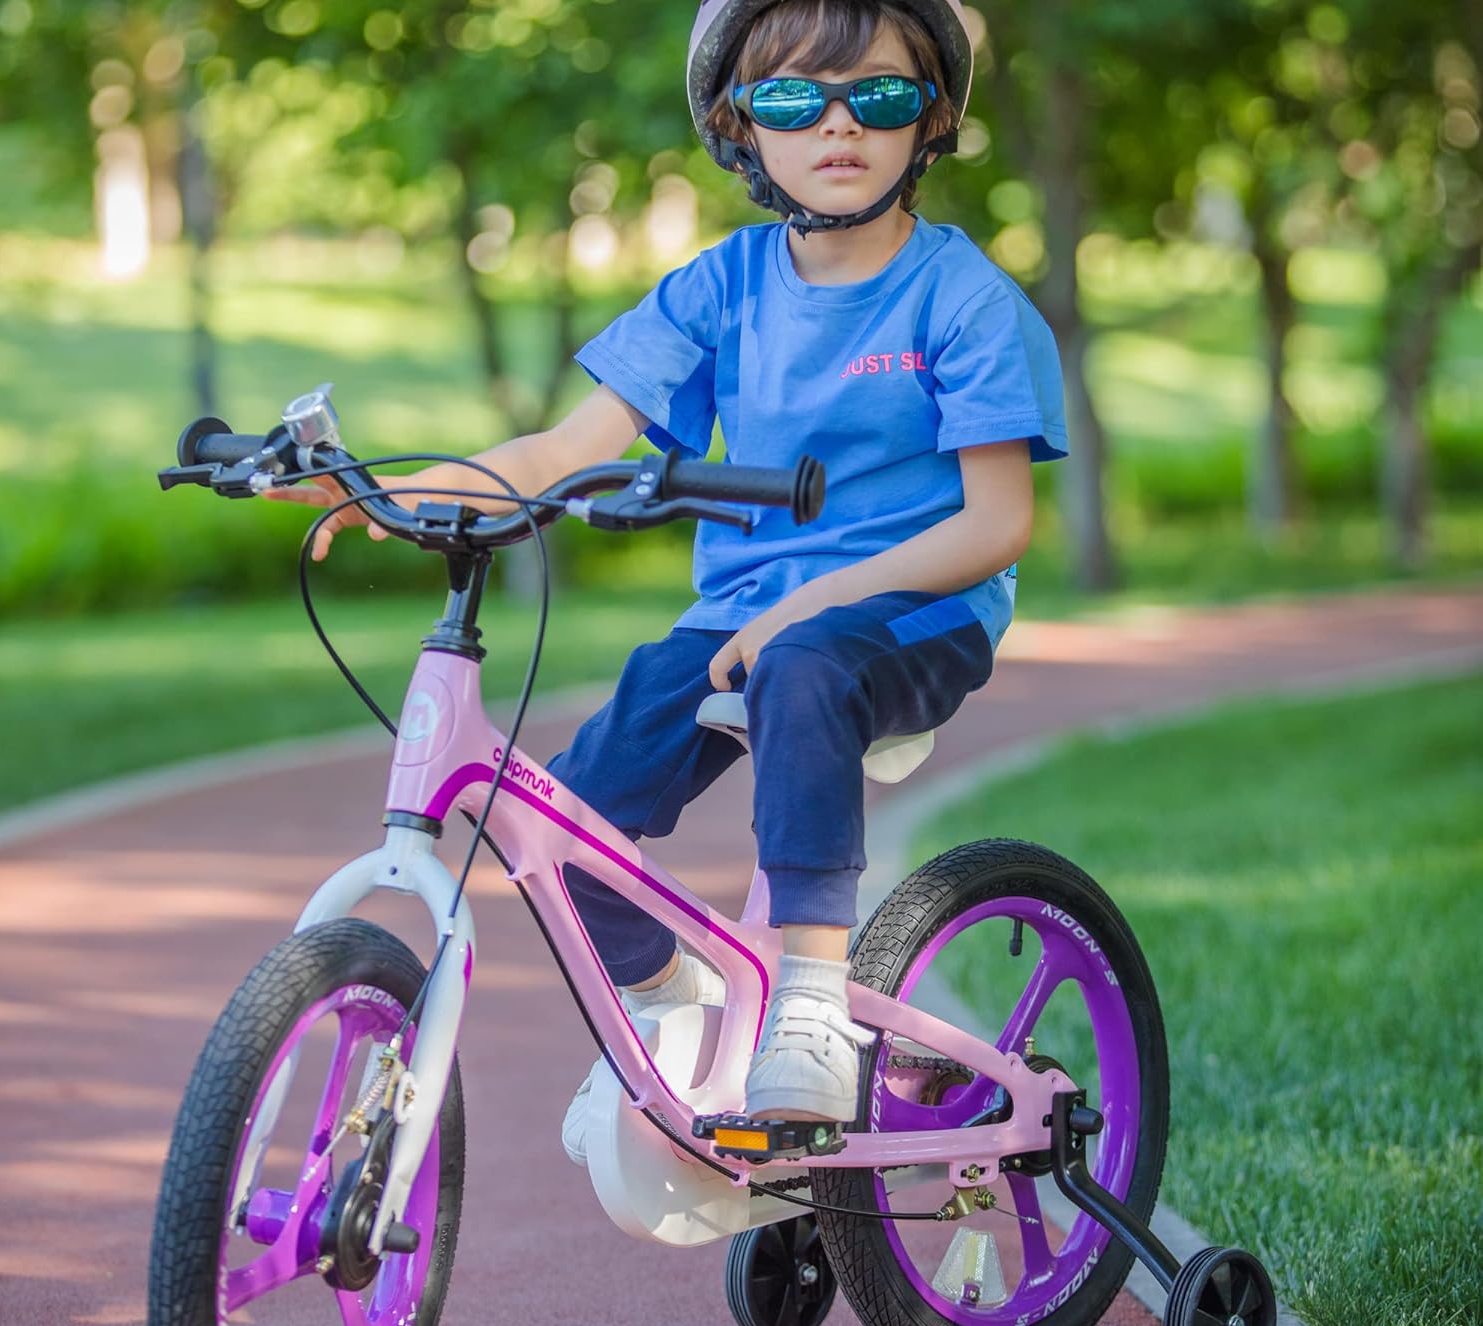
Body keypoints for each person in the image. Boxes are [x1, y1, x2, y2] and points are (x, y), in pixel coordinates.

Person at [273, 0, 1067, 1165]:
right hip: (740, 618)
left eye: (879, 96)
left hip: (914, 616)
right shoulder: (723, 288)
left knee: (801, 660)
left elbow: (998, 523)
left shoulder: (961, 299)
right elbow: (559, 452)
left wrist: (815, 601)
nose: (837, 126)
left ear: (931, 118)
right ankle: (684, 1001)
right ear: (746, 126)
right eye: (796, 100)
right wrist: (396, 494)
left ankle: (807, 998)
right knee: (560, 823)